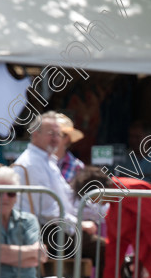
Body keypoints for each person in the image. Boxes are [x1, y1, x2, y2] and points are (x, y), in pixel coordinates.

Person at [12, 111, 104, 262]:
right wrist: (79, 224)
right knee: (106, 251)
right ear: (35, 134)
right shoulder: (33, 163)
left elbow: (69, 197)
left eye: (58, 134)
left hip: (56, 229)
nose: (56, 139)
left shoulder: (48, 161)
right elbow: (48, 211)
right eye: (51, 134)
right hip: (43, 233)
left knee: (108, 249)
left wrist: (101, 211)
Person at [56, 113, 86, 183]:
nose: (51, 138)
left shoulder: (77, 167)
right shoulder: (40, 161)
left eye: (56, 134)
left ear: (66, 138)